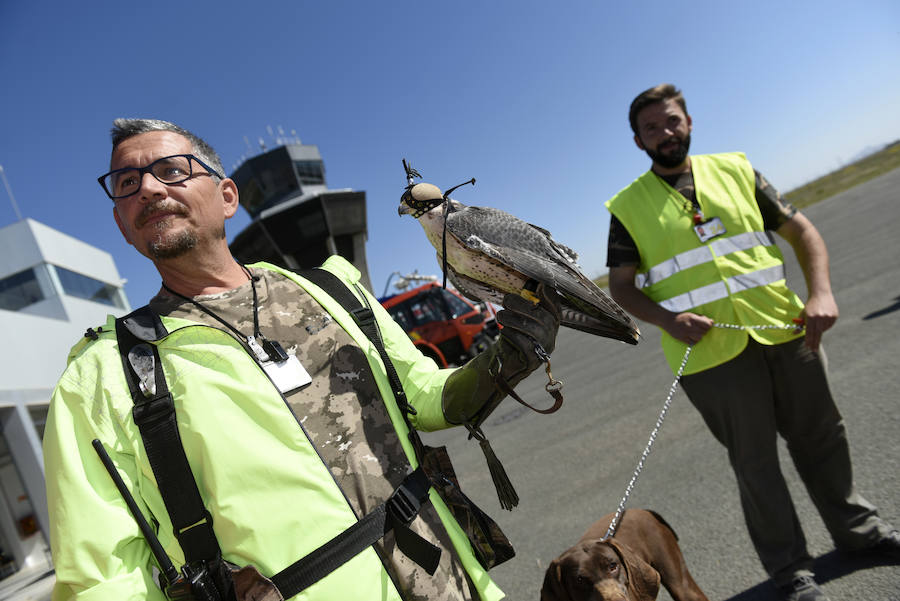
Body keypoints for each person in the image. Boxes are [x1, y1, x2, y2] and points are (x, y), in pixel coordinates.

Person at [44, 119, 563, 601]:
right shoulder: (102, 377)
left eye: (171, 170)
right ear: (121, 224)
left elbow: (426, 396)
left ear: (227, 196)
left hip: (452, 582)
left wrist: (510, 352)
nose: (150, 189)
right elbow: (102, 580)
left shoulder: (334, 289)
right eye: (127, 183)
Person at [604, 84, 900, 601]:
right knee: (755, 463)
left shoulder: (738, 171)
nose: (665, 132)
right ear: (638, 141)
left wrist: (821, 292)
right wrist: (669, 320)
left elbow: (802, 231)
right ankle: (792, 572)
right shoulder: (628, 207)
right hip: (711, 358)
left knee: (824, 438)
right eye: (651, 128)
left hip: (786, 330)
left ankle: (861, 533)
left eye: (671, 121)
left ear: (689, 121)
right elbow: (622, 286)